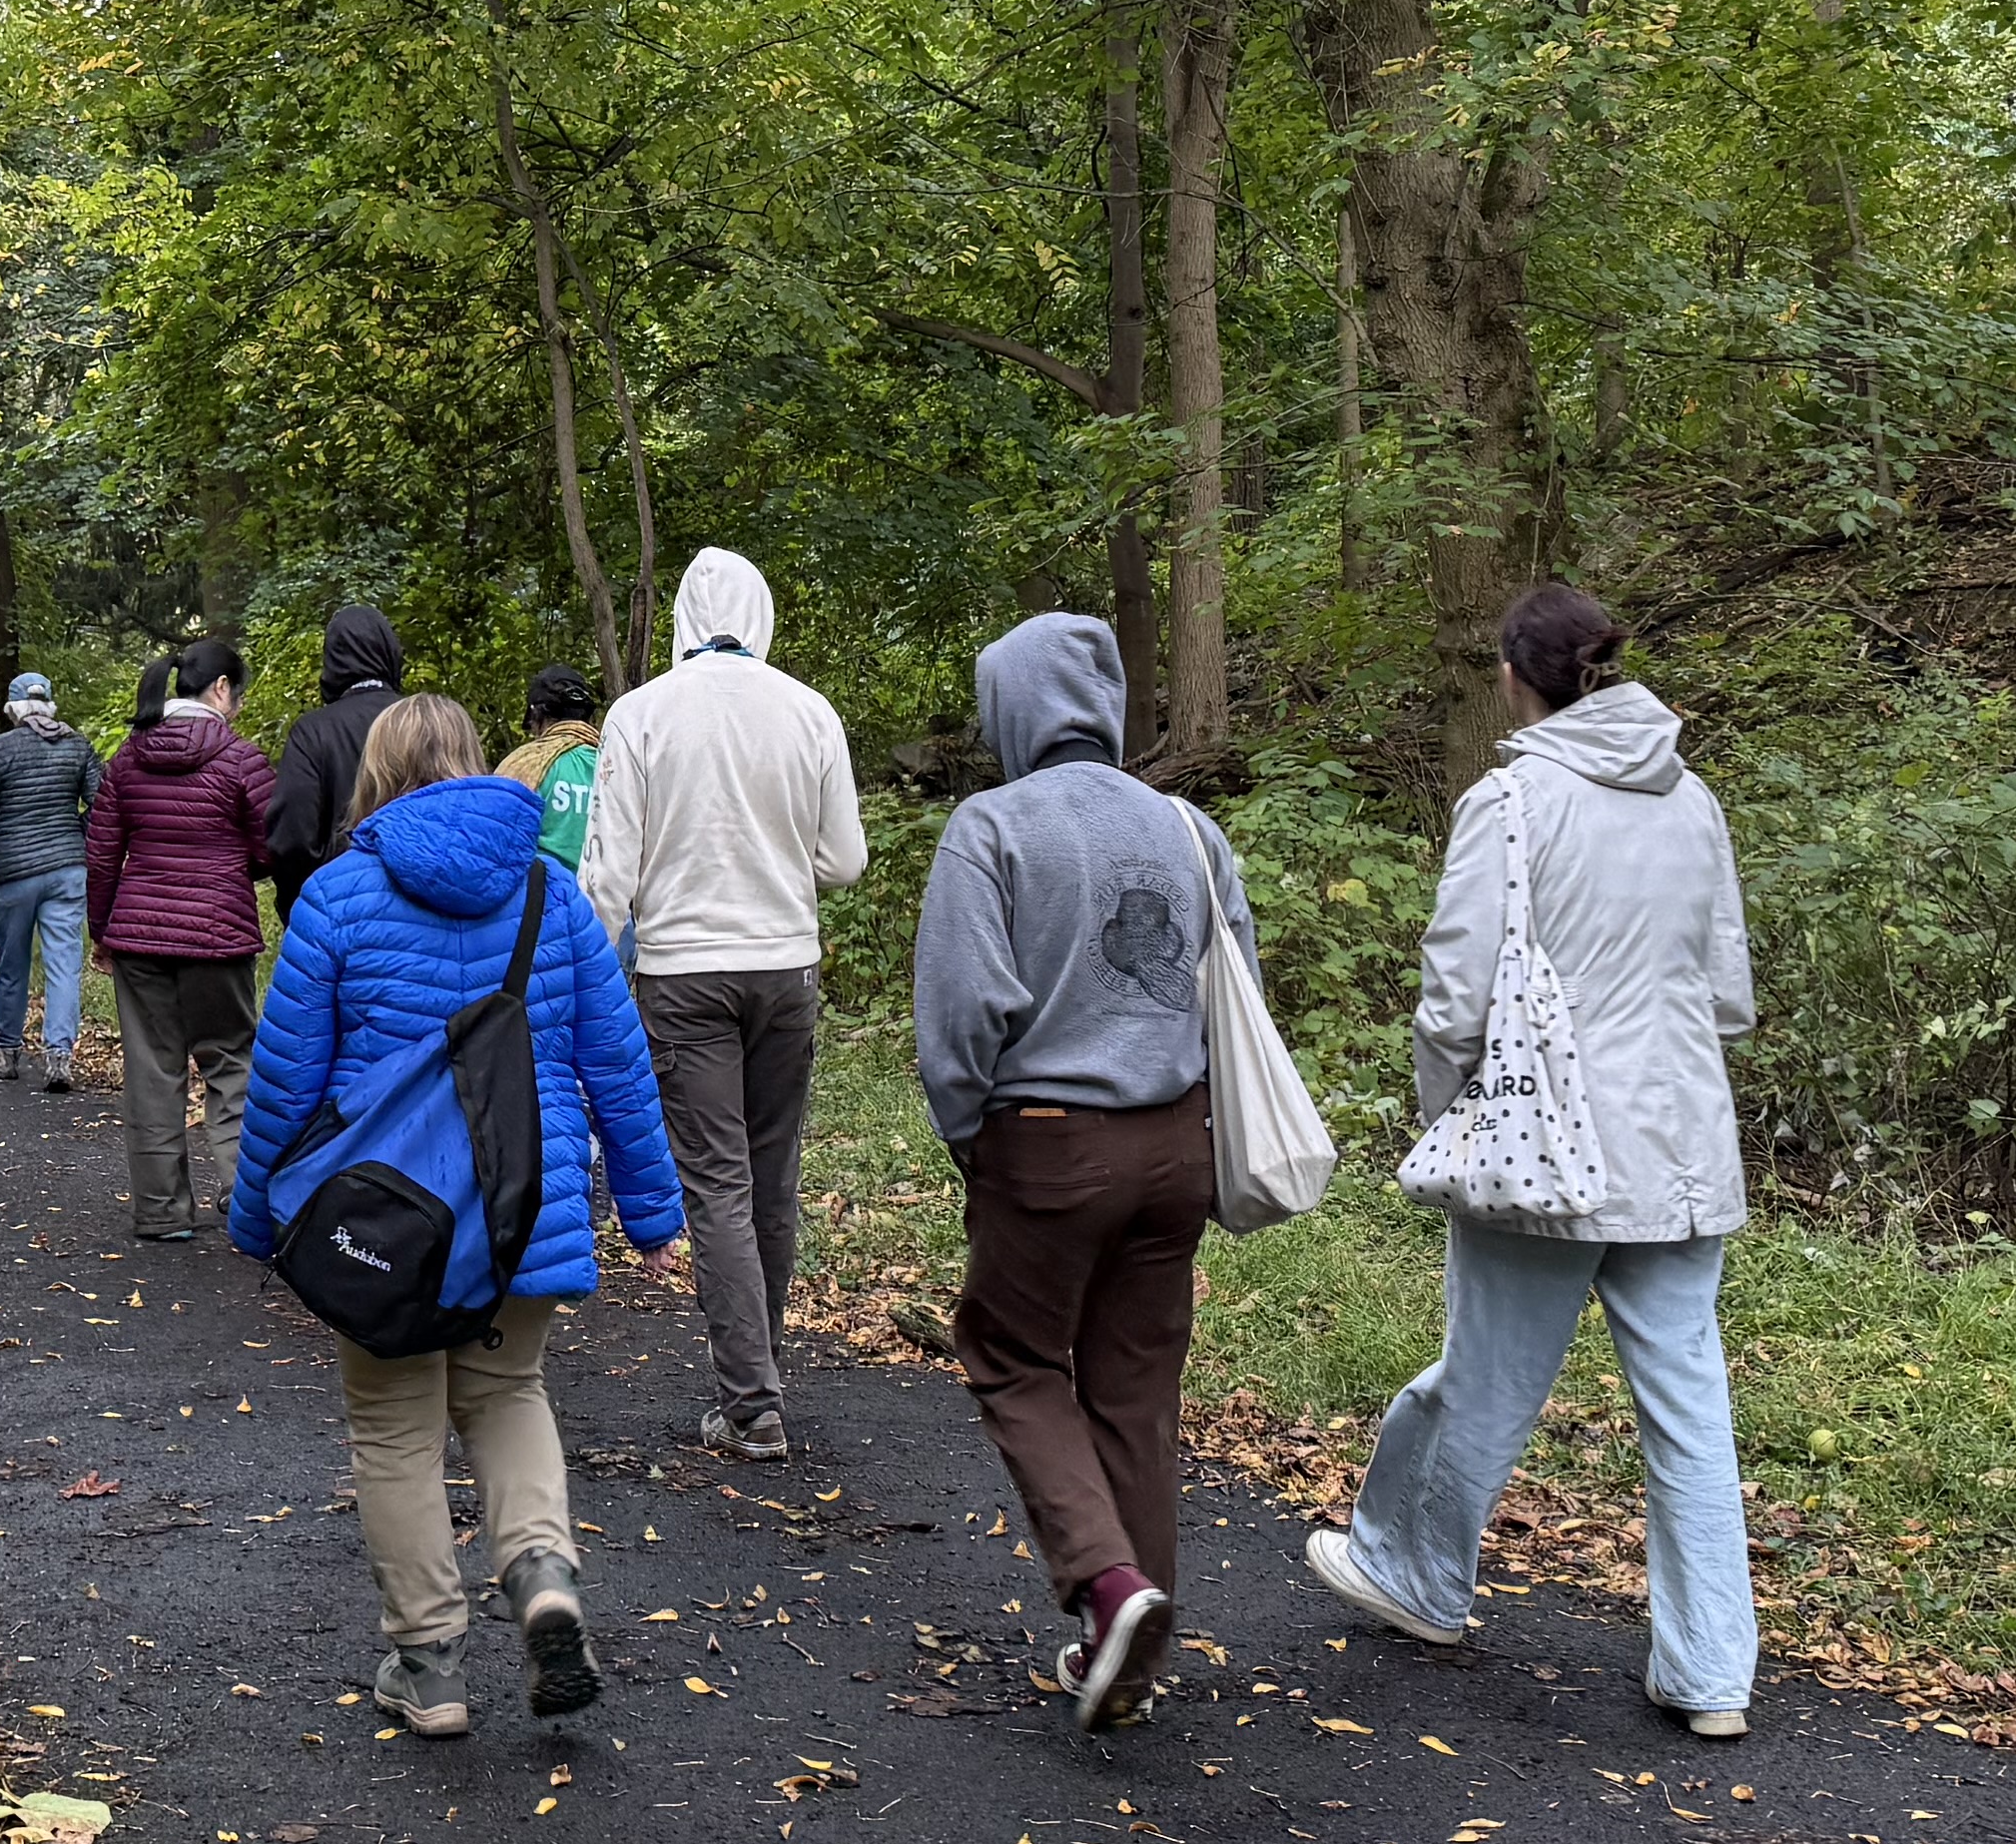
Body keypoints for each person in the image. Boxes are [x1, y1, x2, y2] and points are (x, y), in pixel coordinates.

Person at [1306, 581, 1765, 1739]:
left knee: (1486, 1387)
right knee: (1689, 1416)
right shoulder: (1695, 800)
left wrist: (1447, 1117)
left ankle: (1420, 1579)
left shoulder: (1509, 803)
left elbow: (1454, 1003)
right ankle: (1711, 1676)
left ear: (1516, 678)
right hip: (1682, 1148)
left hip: (1543, 1150)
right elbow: (1727, 996)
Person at [228, 693, 684, 1739]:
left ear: (376, 777)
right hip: (527, 1206)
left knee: (395, 1428)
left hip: (389, 1222)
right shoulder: (550, 897)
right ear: (481, 766)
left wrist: (259, 1221)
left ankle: (428, 1664)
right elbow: (618, 1068)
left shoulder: (337, 900)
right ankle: (540, 1571)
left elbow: (286, 1085)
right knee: (509, 1390)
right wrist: (654, 1214)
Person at [914, 608, 1243, 1730]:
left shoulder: (991, 827)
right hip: (1179, 1142)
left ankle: (1106, 1585)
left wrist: (974, 1141)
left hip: (1048, 1140)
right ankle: (1127, 1659)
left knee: (1009, 1355)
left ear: (1010, 707)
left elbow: (962, 1020)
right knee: (1136, 1393)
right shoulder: (1190, 828)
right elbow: (1228, 981)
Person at [581, 546, 870, 1463]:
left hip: (683, 973)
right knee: (770, 1173)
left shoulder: (640, 715)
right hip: (787, 968)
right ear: (762, 611)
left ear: (680, 622)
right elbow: (845, 861)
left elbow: (606, 882)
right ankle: (761, 1372)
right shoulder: (809, 710)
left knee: (716, 1179)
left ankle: (750, 1400)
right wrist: (783, 867)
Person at [84, 639, 274, 1240]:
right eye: (237, 695)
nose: (237, 707)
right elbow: (271, 848)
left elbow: (102, 855)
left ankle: (162, 1212)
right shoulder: (243, 759)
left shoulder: (126, 758)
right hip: (219, 936)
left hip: (139, 937)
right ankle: (246, 1202)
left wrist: (103, 933)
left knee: (151, 1071)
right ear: (219, 689)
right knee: (231, 1062)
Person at [0, 668, 100, 1089]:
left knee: (12, 964)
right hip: (67, 871)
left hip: (12, 874)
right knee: (64, 965)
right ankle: (59, 1056)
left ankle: (5, 1051)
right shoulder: (79, 746)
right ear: (49, 705)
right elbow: (103, 806)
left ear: (13, 709)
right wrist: (75, 836)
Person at [259, 602, 410, 896]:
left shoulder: (313, 732)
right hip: (425, 910)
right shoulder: (425, 721)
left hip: (340, 905)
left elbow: (292, 840)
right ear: (390, 651)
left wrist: (303, 908)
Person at [493, 663, 603, 871]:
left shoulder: (521, 764)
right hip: (608, 900)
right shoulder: (617, 764)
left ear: (536, 715)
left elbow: (494, 842)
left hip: (540, 899)